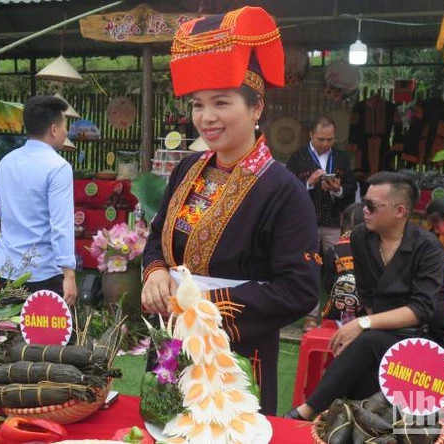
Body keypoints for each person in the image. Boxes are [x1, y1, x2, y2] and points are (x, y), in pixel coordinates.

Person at [141, 6, 320, 415]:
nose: (206, 118)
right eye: (197, 105)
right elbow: (157, 235)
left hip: (237, 350)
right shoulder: (188, 168)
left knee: (223, 431)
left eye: (221, 103)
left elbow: (299, 290)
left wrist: (203, 307)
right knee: (164, 423)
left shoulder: (283, 190)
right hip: (171, 340)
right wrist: (155, 273)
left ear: (256, 109)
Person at [286, 171, 444, 420]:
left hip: (424, 337)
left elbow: (421, 310)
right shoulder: (361, 237)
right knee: (361, 355)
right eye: (365, 203)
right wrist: (369, 325)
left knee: (366, 341)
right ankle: (345, 418)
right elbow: (366, 294)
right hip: (382, 331)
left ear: (400, 211)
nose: (365, 210)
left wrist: (364, 324)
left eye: (372, 206)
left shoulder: (428, 248)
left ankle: (307, 411)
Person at [0, 96, 77, 305]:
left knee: (6, 326)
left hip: (4, 269)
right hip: (42, 274)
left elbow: (3, 214)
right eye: (64, 126)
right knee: (43, 328)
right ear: (54, 129)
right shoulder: (58, 167)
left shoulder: (6, 162)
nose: (66, 132)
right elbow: (61, 225)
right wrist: (69, 275)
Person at [287, 117, 356, 330]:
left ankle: (337, 316)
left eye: (330, 139)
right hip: (306, 224)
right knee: (310, 267)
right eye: (321, 139)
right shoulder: (298, 158)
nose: (326, 143)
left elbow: (352, 187)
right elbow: (287, 189)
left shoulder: (341, 158)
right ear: (311, 135)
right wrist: (309, 183)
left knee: (340, 267)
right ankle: (310, 316)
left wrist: (337, 189)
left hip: (333, 222)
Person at [321, 202, 365, 326]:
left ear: (343, 222)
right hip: (366, 314)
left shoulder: (333, 250)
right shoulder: (375, 249)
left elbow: (328, 285)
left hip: (336, 312)